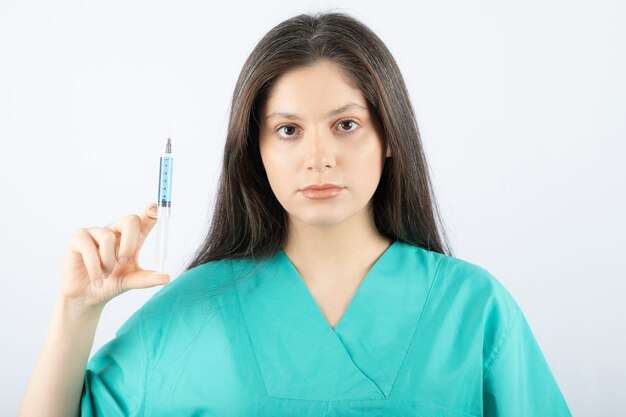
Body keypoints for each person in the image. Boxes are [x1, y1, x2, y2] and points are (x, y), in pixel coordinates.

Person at [18, 11, 573, 417]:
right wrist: (76, 309)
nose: (318, 157)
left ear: (389, 138)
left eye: (346, 124)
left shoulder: (473, 310)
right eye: (288, 130)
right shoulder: (188, 312)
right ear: (255, 151)